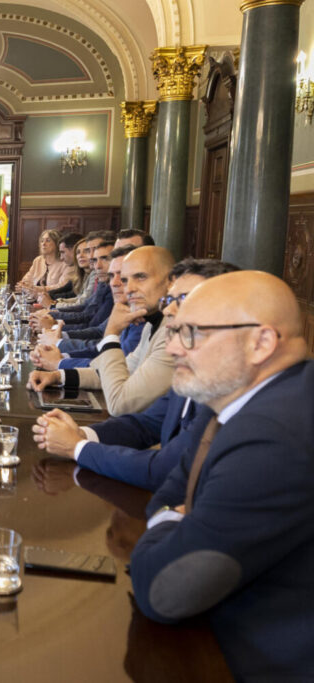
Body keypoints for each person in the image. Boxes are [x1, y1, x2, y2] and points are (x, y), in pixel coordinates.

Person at [130, 271, 313, 680]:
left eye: (191, 333)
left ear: (261, 342)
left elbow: (162, 590)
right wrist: (176, 516)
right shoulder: (230, 399)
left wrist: (170, 520)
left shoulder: (273, 439)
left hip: (248, 660)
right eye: (174, 331)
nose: (173, 348)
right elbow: (168, 492)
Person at [31, 259, 240, 490]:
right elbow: (147, 423)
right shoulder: (157, 329)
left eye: (183, 300)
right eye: (170, 301)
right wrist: (81, 432)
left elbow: (123, 407)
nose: (125, 287)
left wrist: (77, 447)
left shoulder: (227, 384)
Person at [27, 246, 175, 416]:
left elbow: (120, 403)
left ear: (171, 281)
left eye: (140, 277)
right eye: (125, 279)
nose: (128, 288)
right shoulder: (150, 324)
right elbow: (114, 370)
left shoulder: (170, 333)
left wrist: (111, 333)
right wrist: (58, 376)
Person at [36, 233, 84, 304]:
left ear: (74, 250)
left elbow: (76, 298)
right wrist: (46, 295)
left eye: (62, 252)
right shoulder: (81, 270)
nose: (61, 257)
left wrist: (51, 302)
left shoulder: (88, 272)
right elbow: (66, 289)